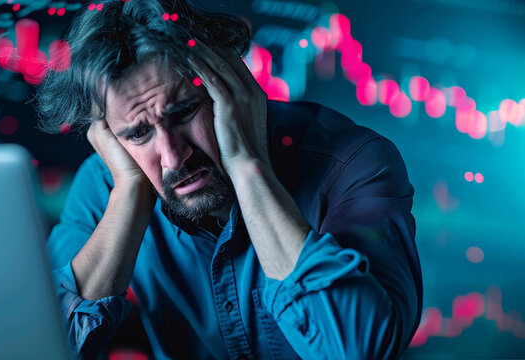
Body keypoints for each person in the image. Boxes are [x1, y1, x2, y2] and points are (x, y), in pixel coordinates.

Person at [34, 0, 422, 359]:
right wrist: (130, 195)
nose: (172, 156)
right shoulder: (107, 187)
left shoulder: (353, 162)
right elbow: (34, 347)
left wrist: (246, 163)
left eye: (184, 111)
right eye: (139, 133)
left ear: (231, 83)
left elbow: (361, 349)